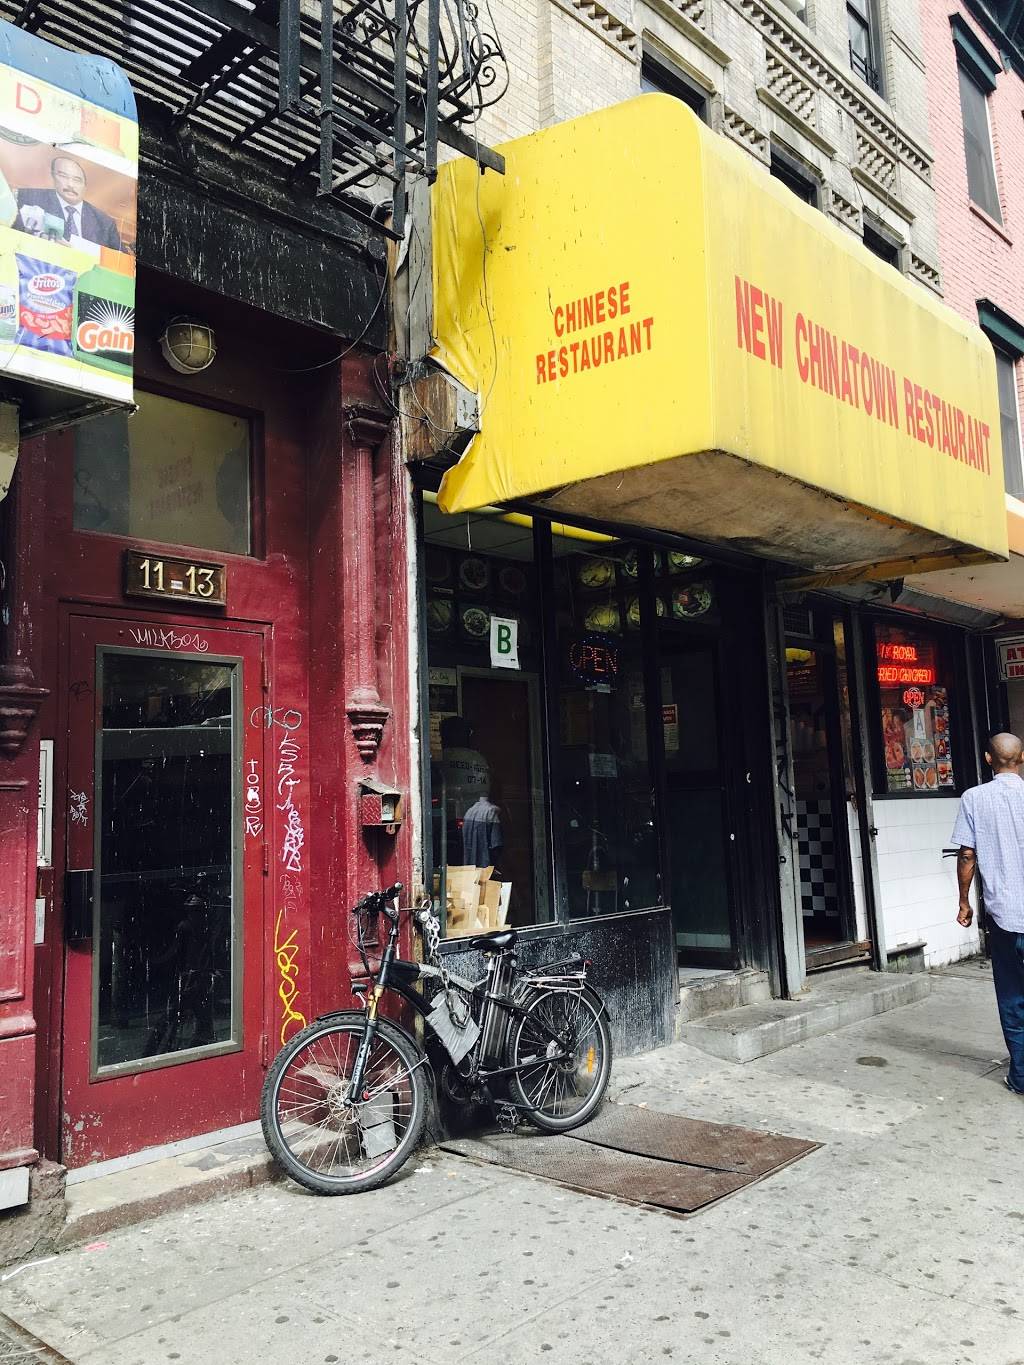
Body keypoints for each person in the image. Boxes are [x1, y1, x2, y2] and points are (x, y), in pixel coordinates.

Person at [952, 731, 1024, 1095]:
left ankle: (1021, 1076)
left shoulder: (974, 798)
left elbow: (967, 854)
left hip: (1005, 917)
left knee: (1012, 998)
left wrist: (963, 901)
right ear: (1022, 758)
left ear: (987, 759)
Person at [16, 155, 122, 249]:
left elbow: (120, 259)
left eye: (77, 180)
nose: (70, 184)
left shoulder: (105, 223)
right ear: (53, 177)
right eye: (63, 176)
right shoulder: (28, 198)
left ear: (85, 186)